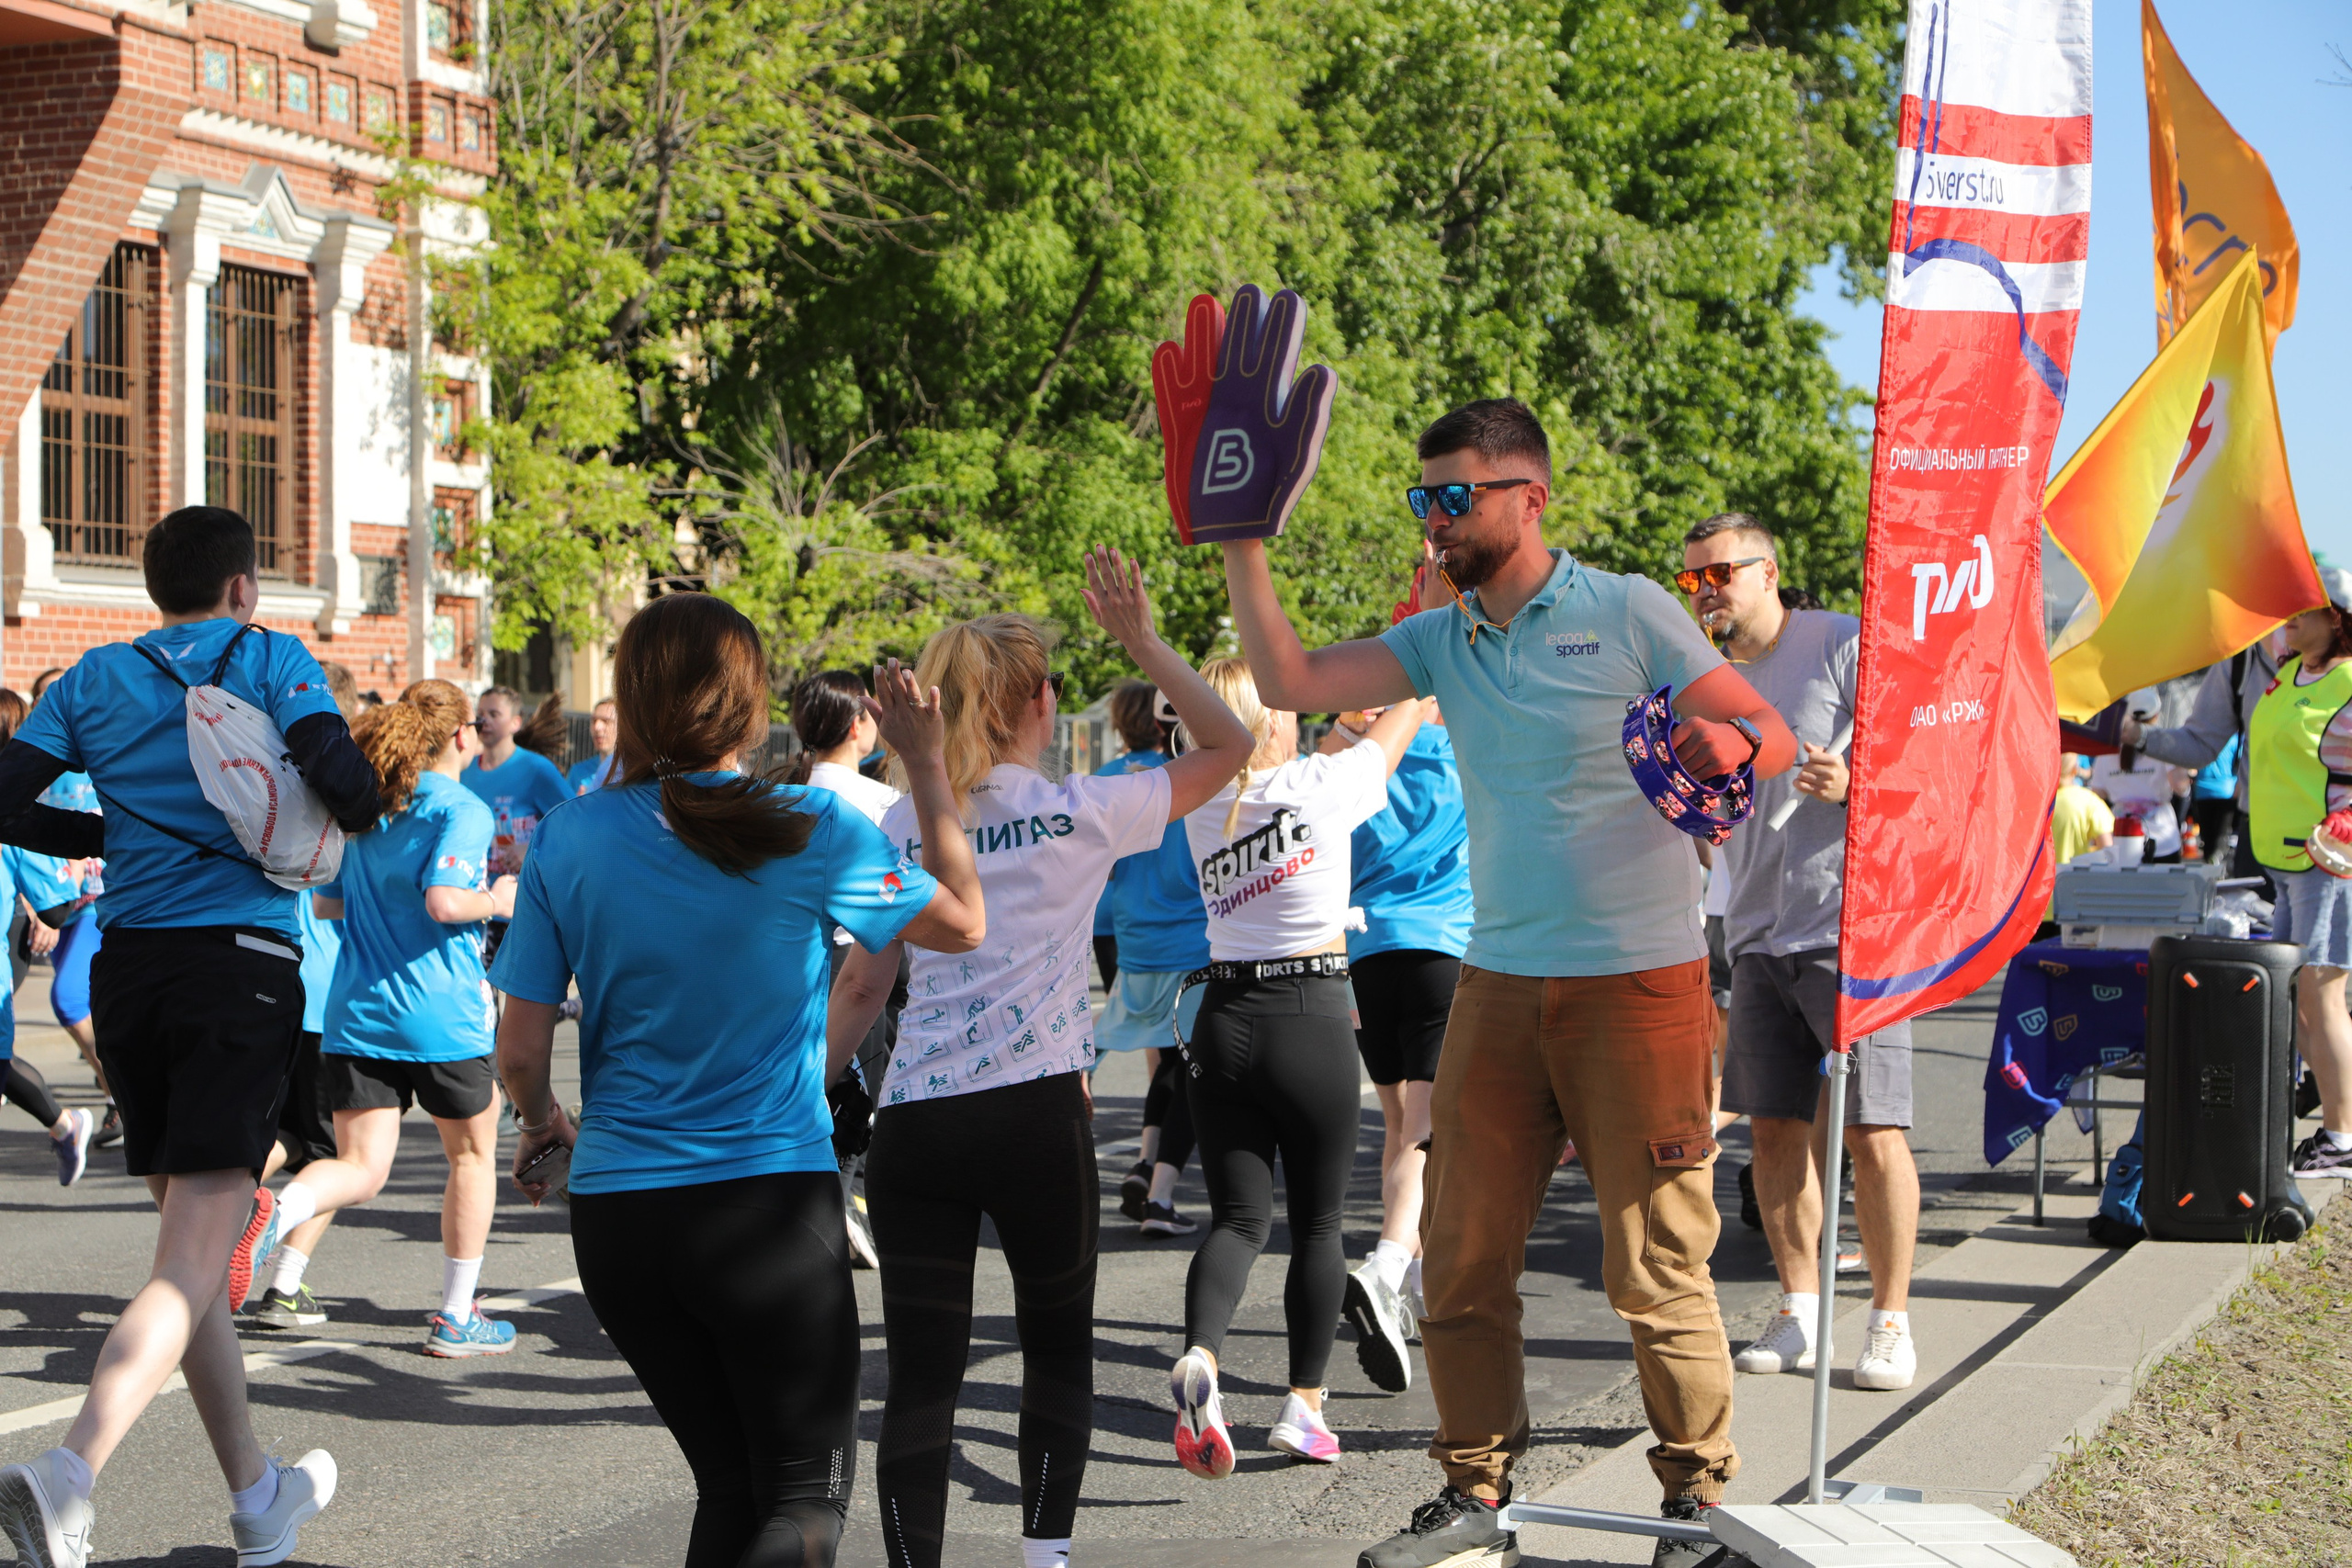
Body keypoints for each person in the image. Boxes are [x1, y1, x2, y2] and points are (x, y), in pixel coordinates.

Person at [1214, 400, 1795, 1568]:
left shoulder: (1627, 608)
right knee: (1465, 1258)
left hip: (1640, 986)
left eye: (1454, 497)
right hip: (1496, 983)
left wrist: (1728, 748)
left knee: (1653, 1265)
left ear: (1527, 497)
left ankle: (1696, 1506)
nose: (1434, 520)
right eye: (1422, 499)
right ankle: (1473, 1492)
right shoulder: (1439, 638)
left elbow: (1767, 729)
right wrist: (1241, 536)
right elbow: (1281, 672)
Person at [495, 592, 986, 1568]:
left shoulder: (568, 837)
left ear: (629, 701)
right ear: (751, 706)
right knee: (805, 1503)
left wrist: (545, 1118)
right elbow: (966, 922)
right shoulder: (809, 825)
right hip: (768, 1202)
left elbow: (517, 1051)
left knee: (733, 1488)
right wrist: (927, 766)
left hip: (622, 1220)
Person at [828, 548, 1252, 1568]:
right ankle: (1044, 1559)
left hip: (920, 1121)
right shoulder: (1088, 808)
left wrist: (806, 1099)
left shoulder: (900, 818)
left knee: (922, 1375)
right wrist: (1144, 642)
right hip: (1038, 1120)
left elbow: (862, 987)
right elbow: (1232, 743)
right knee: (1055, 1349)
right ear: (1039, 703)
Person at [0, 505, 378, 1568]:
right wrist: (356, 799)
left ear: (149, 586)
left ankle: (259, 1499)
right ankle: (69, 1480)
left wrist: (108, 829)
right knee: (185, 1267)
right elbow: (341, 785)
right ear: (242, 587)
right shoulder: (267, 656)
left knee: (193, 1257)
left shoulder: (87, 679)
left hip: (130, 978)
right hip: (239, 973)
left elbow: (3, 801)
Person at [1681, 513, 1922, 1393]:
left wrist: (1859, 784)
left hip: (1850, 930)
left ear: (1768, 571)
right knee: (1775, 1130)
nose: (1707, 590)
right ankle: (1801, 1311)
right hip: (1751, 933)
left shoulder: (1842, 642)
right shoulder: (1704, 678)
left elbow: (1923, 763)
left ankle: (1890, 1321)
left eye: (1721, 572)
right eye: (1694, 578)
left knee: (1873, 1128)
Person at [1168, 664, 1428, 1475]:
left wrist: (1348, 721)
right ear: (1271, 724)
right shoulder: (1321, 782)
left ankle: (1202, 1355)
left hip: (1221, 1016)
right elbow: (1406, 719)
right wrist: (1416, 681)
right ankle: (1304, 1405)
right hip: (1309, 1010)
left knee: (1237, 1220)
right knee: (1317, 1224)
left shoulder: (1198, 799)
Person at [239, 680, 525, 1354]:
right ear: (460, 736)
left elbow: (331, 904)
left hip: (357, 1009)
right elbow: (445, 903)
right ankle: (457, 1315)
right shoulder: (461, 806)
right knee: (472, 1156)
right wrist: (499, 897)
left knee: (361, 1167)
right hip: (440, 1013)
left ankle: (274, 1212)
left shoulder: (365, 807)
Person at [1334, 698, 1472, 1386]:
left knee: (1398, 1127)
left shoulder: (1365, 761)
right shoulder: (1467, 751)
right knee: (1425, 1133)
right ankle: (1387, 1264)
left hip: (1367, 952)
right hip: (1443, 949)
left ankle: (1416, 1282)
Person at [250, 661, 363, 1330]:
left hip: (279, 989)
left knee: (286, 1133)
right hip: (328, 997)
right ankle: (285, 1282)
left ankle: (228, 1210)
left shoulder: (267, 781)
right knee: (334, 1155)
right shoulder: (347, 800)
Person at [790, 667, 907, 1269]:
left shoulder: (778, 794)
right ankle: (846, 1197)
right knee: (865, 1089)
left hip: (792, 956)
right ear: (859, 723)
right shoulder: (881, 803)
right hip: (859, 958)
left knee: (807, 1082)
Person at [2240, 576, 2352, 1179]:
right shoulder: (2289, 673)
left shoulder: (2349, 680)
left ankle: (2343, 1135)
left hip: (2329, 862)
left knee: (2322, 995)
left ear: (2338, 619)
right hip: (2285, 861)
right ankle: (2340, 1126)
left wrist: (2347, 820)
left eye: (2304, 608)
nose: (2289, 616)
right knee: (2301, 1003)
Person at [1093, 682, 1213, 1237]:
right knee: (1189, 1066)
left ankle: (1145, 1163)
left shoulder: (1111, 780)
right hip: (1193, 943)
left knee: (1166, 1058)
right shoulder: (1202, 779)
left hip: (1132, 937)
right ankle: (1160, 1192)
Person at [17, 665, 115, 1147]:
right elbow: (20, 845)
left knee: (70, 998)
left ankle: (121, 1095)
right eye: (41, 697)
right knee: (87, 1003)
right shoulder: (34, 763)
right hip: (54, 902)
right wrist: (38, 909)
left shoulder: (101, 750)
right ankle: (119, 1090)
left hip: (98, 899)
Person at [462, 685, 572, 886]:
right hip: (474, 899)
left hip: (520, 900)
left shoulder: (536, 768)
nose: (483, 720)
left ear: (516, 723)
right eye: (480, 714)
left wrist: (532, 849)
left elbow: (574, 824)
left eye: (494, 714)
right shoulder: (465, 769)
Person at [2087, 691, 2184, 863]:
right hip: (2162, 838)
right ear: (2156, 716)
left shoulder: (2110, 748)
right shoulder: (2163, 743)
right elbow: (2181, 787)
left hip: (2122, 837)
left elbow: (2098, 793)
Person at [566, 697, 619, 795]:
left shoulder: (633, 772)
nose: (597, 727)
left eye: (606, 721)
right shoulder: (578, 771)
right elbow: (566, 808)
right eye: (594, 721)